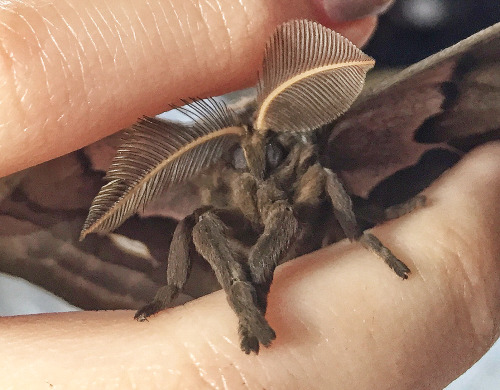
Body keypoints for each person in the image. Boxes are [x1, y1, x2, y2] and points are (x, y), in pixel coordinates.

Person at [0, 0, 498, 388]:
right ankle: (214, 296)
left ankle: (343, 236)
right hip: (208, 276)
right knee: (205, 222)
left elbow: (316, 183)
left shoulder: (309, 161)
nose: (269, 171)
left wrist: (359, 227)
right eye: (250, 159)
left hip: (373, 204)